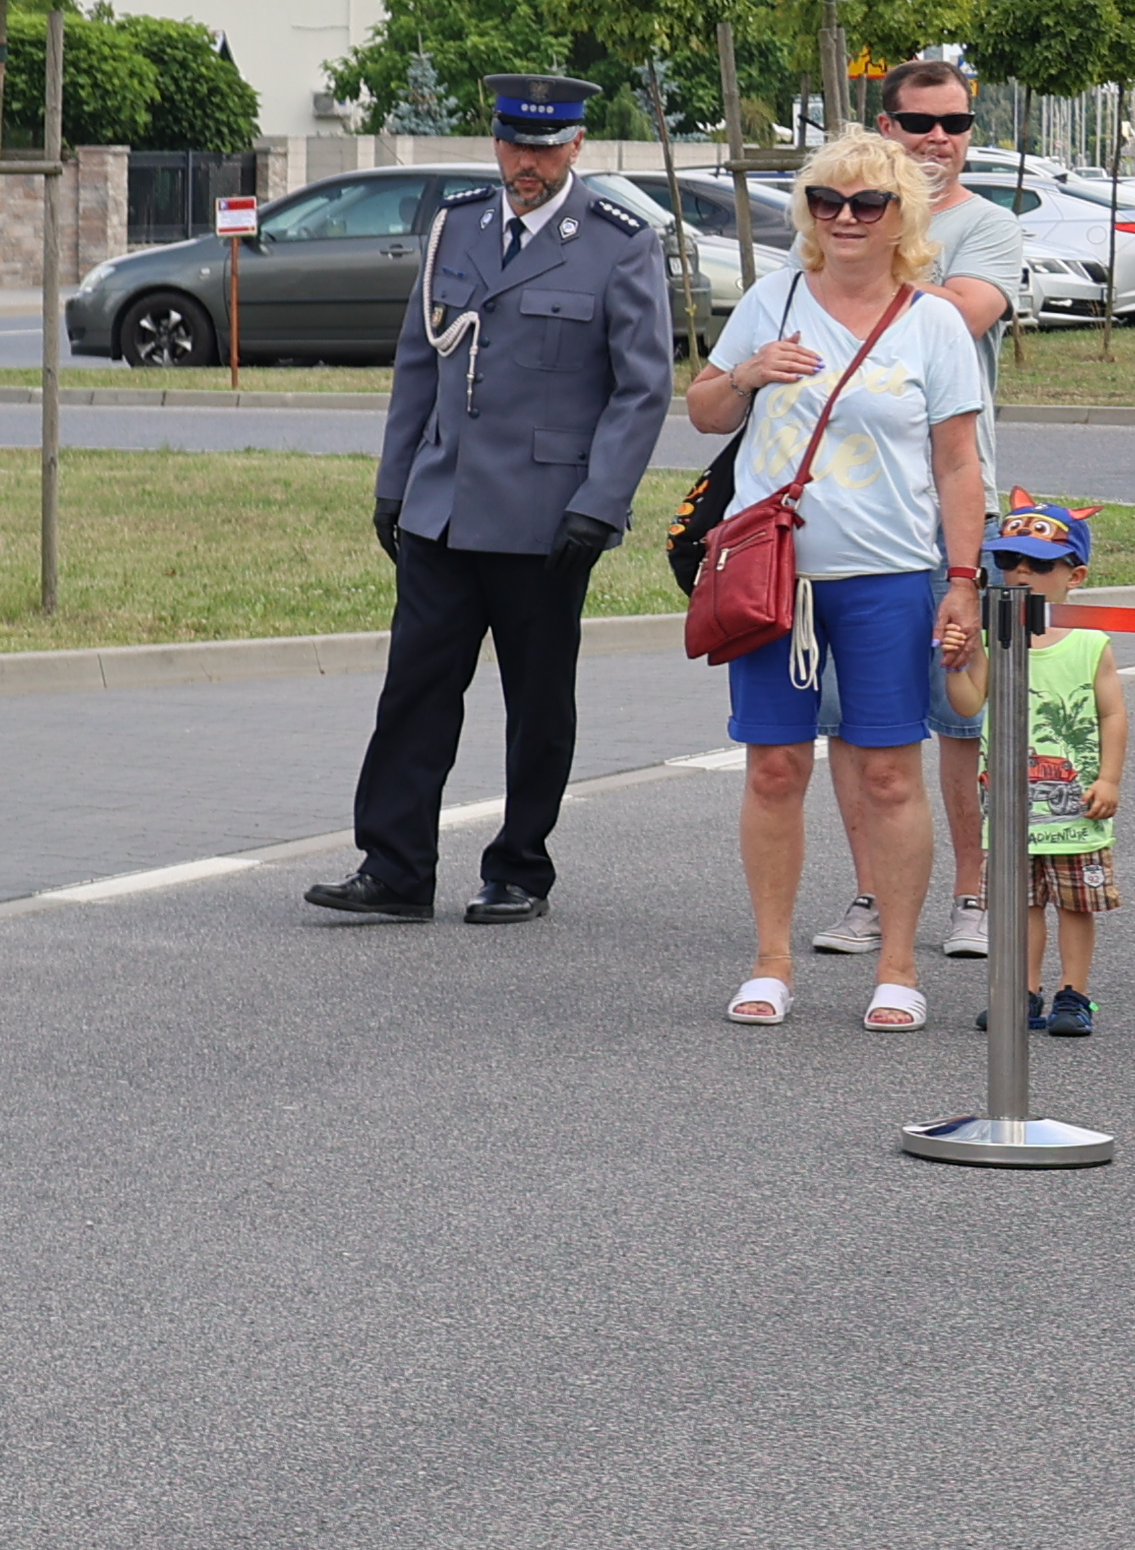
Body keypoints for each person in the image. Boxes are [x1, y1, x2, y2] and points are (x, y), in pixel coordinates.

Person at [309, 74, 675, 925]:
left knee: (536, 705)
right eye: (514, 145)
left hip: (547, 518)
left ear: (576, 146)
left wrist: (601, 502)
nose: (526, 164)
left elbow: (643, 388)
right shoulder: (458, 226)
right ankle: (395, 867)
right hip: (442, 508)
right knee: (414, 692)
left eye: (545, 149)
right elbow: (418, 363)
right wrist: (394, 486)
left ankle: (519, 866)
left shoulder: (618, 243)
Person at [680, 125, 987, 1032]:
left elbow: (959, 464)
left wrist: (962, 580)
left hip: (890, 575)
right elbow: (703, 412)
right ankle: (771, 962)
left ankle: (898, 968)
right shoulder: (772, 300)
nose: (844, 218)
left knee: (889, 773)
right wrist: (746, 374)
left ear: (902, 217)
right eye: (826, 201)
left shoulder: (932, 321)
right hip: (774, 578)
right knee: (775, 768)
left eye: (867, 203)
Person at [821, 54, 1025, 970]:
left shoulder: (986, 226)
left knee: (960, 714)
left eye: (955, 123)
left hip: (951, 508)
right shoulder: (841, 216)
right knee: (850, 717)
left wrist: (859, 272)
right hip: (845, 509)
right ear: (887, 127)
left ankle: (972, 896)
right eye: (919, 122)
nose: (939, 138)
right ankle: (873, 891)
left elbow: (964, 313)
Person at [942, 493, 1112, 1038]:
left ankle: (1074, 993)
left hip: (1075, 808)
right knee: (1020, 904)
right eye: (1008, 560)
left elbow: (1112, 714)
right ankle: (1024, 991)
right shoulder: (993, 635)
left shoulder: (1089, 641)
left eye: (1038, 564)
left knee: (1075, 905)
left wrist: (1109, 778)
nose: (1019, 572)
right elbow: (969, 704)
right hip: (1010, 807)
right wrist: (956, 664)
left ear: (1074, 576)